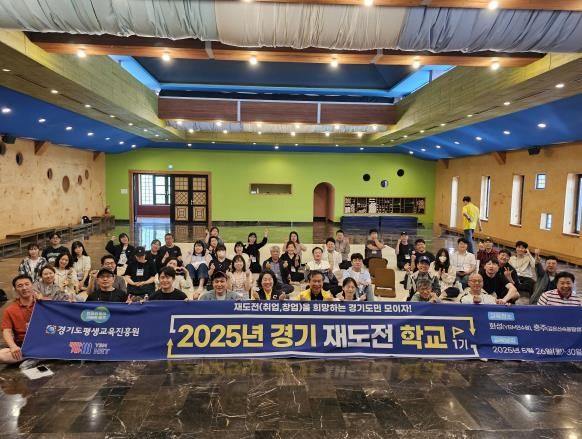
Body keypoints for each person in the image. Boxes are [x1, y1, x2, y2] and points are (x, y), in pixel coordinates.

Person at [0, 275, 36, 365]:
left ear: (32, 285)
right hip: (23, 345)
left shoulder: (45, 303)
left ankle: (38, 355)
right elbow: (6, 331)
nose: (24, 288)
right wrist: (13, 346)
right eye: (20, 286)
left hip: (45, 342)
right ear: (15, 290)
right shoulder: (10, 310)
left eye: (27, 284)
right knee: (2, 356)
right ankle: (37, 355)